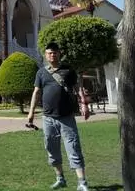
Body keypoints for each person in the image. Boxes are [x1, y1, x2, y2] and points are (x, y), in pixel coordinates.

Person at [27, 42, 90, 191]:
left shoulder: (68, 70)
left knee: (73, 148)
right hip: (48, 118)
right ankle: (60, 178)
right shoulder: (41, 73)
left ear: (59, 53)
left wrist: (84, 104)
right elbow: (36, 93)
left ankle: (82, 182)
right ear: (46, 55)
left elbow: (78, 88)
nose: (52, 55)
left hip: (66, 117)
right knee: (51, 149)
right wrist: (31, 113)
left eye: (54, 52)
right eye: (49, 53)